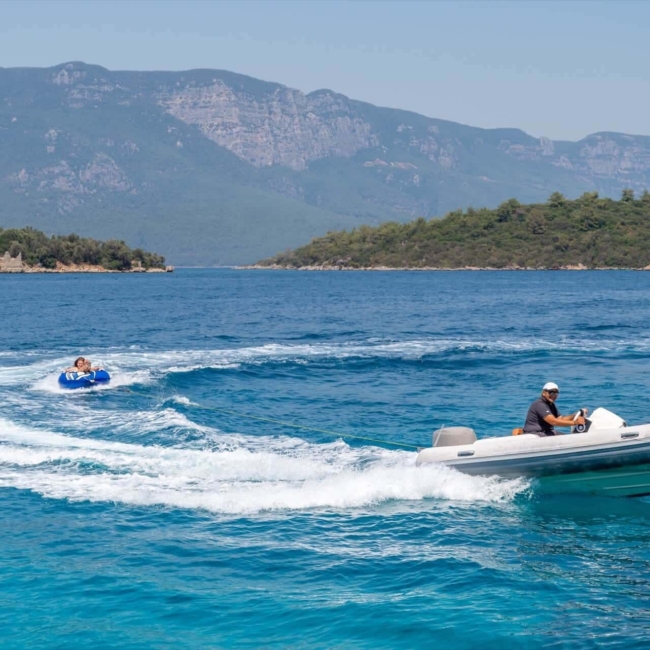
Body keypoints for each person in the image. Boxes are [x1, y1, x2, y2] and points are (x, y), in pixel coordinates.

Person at [523, 382, 587, 436]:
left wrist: (575, 415)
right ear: (544, 393)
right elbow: (553, 421)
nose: (554, 395)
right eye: (551, 392)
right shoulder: (539, 404)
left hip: (546, 432)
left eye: (556, 392)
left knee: (565, 437)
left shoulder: (551, 404)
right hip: (535, 434)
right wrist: (574, 422)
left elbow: (560, 419)